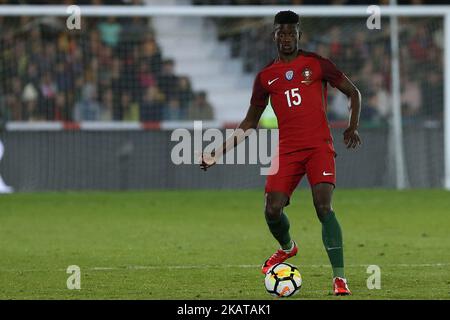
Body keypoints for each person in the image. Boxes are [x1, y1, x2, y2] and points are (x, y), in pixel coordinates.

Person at [199, 11, 361, 296]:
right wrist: (218, 152)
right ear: (274, 36)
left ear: (299, 35)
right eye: (281, 33)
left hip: (319, 148)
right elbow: (250, 122)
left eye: (291, 33)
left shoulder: (317, 64)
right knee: (272, 210)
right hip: (288, 150)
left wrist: (352, 127)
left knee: (323, 207)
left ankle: (339, 279)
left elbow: (354, 92)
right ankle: (288, 247)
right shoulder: (265, 77)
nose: (286, 38)